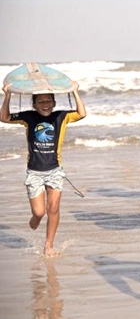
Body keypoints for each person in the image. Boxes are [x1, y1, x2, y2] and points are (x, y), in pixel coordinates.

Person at [1, 82, 86, 256]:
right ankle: (35, 218)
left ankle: (49, 244)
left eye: (48, 101)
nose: (45, 104)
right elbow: (4, 117)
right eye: (40, 102)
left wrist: (75, 91)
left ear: (54, 103)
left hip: (55, 170)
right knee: (39, 211)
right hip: (34, 172)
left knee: (53, 209)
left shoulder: (61, 116)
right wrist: (8, 94)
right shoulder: (28, 117)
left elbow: (82, 113)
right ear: (33, 104)